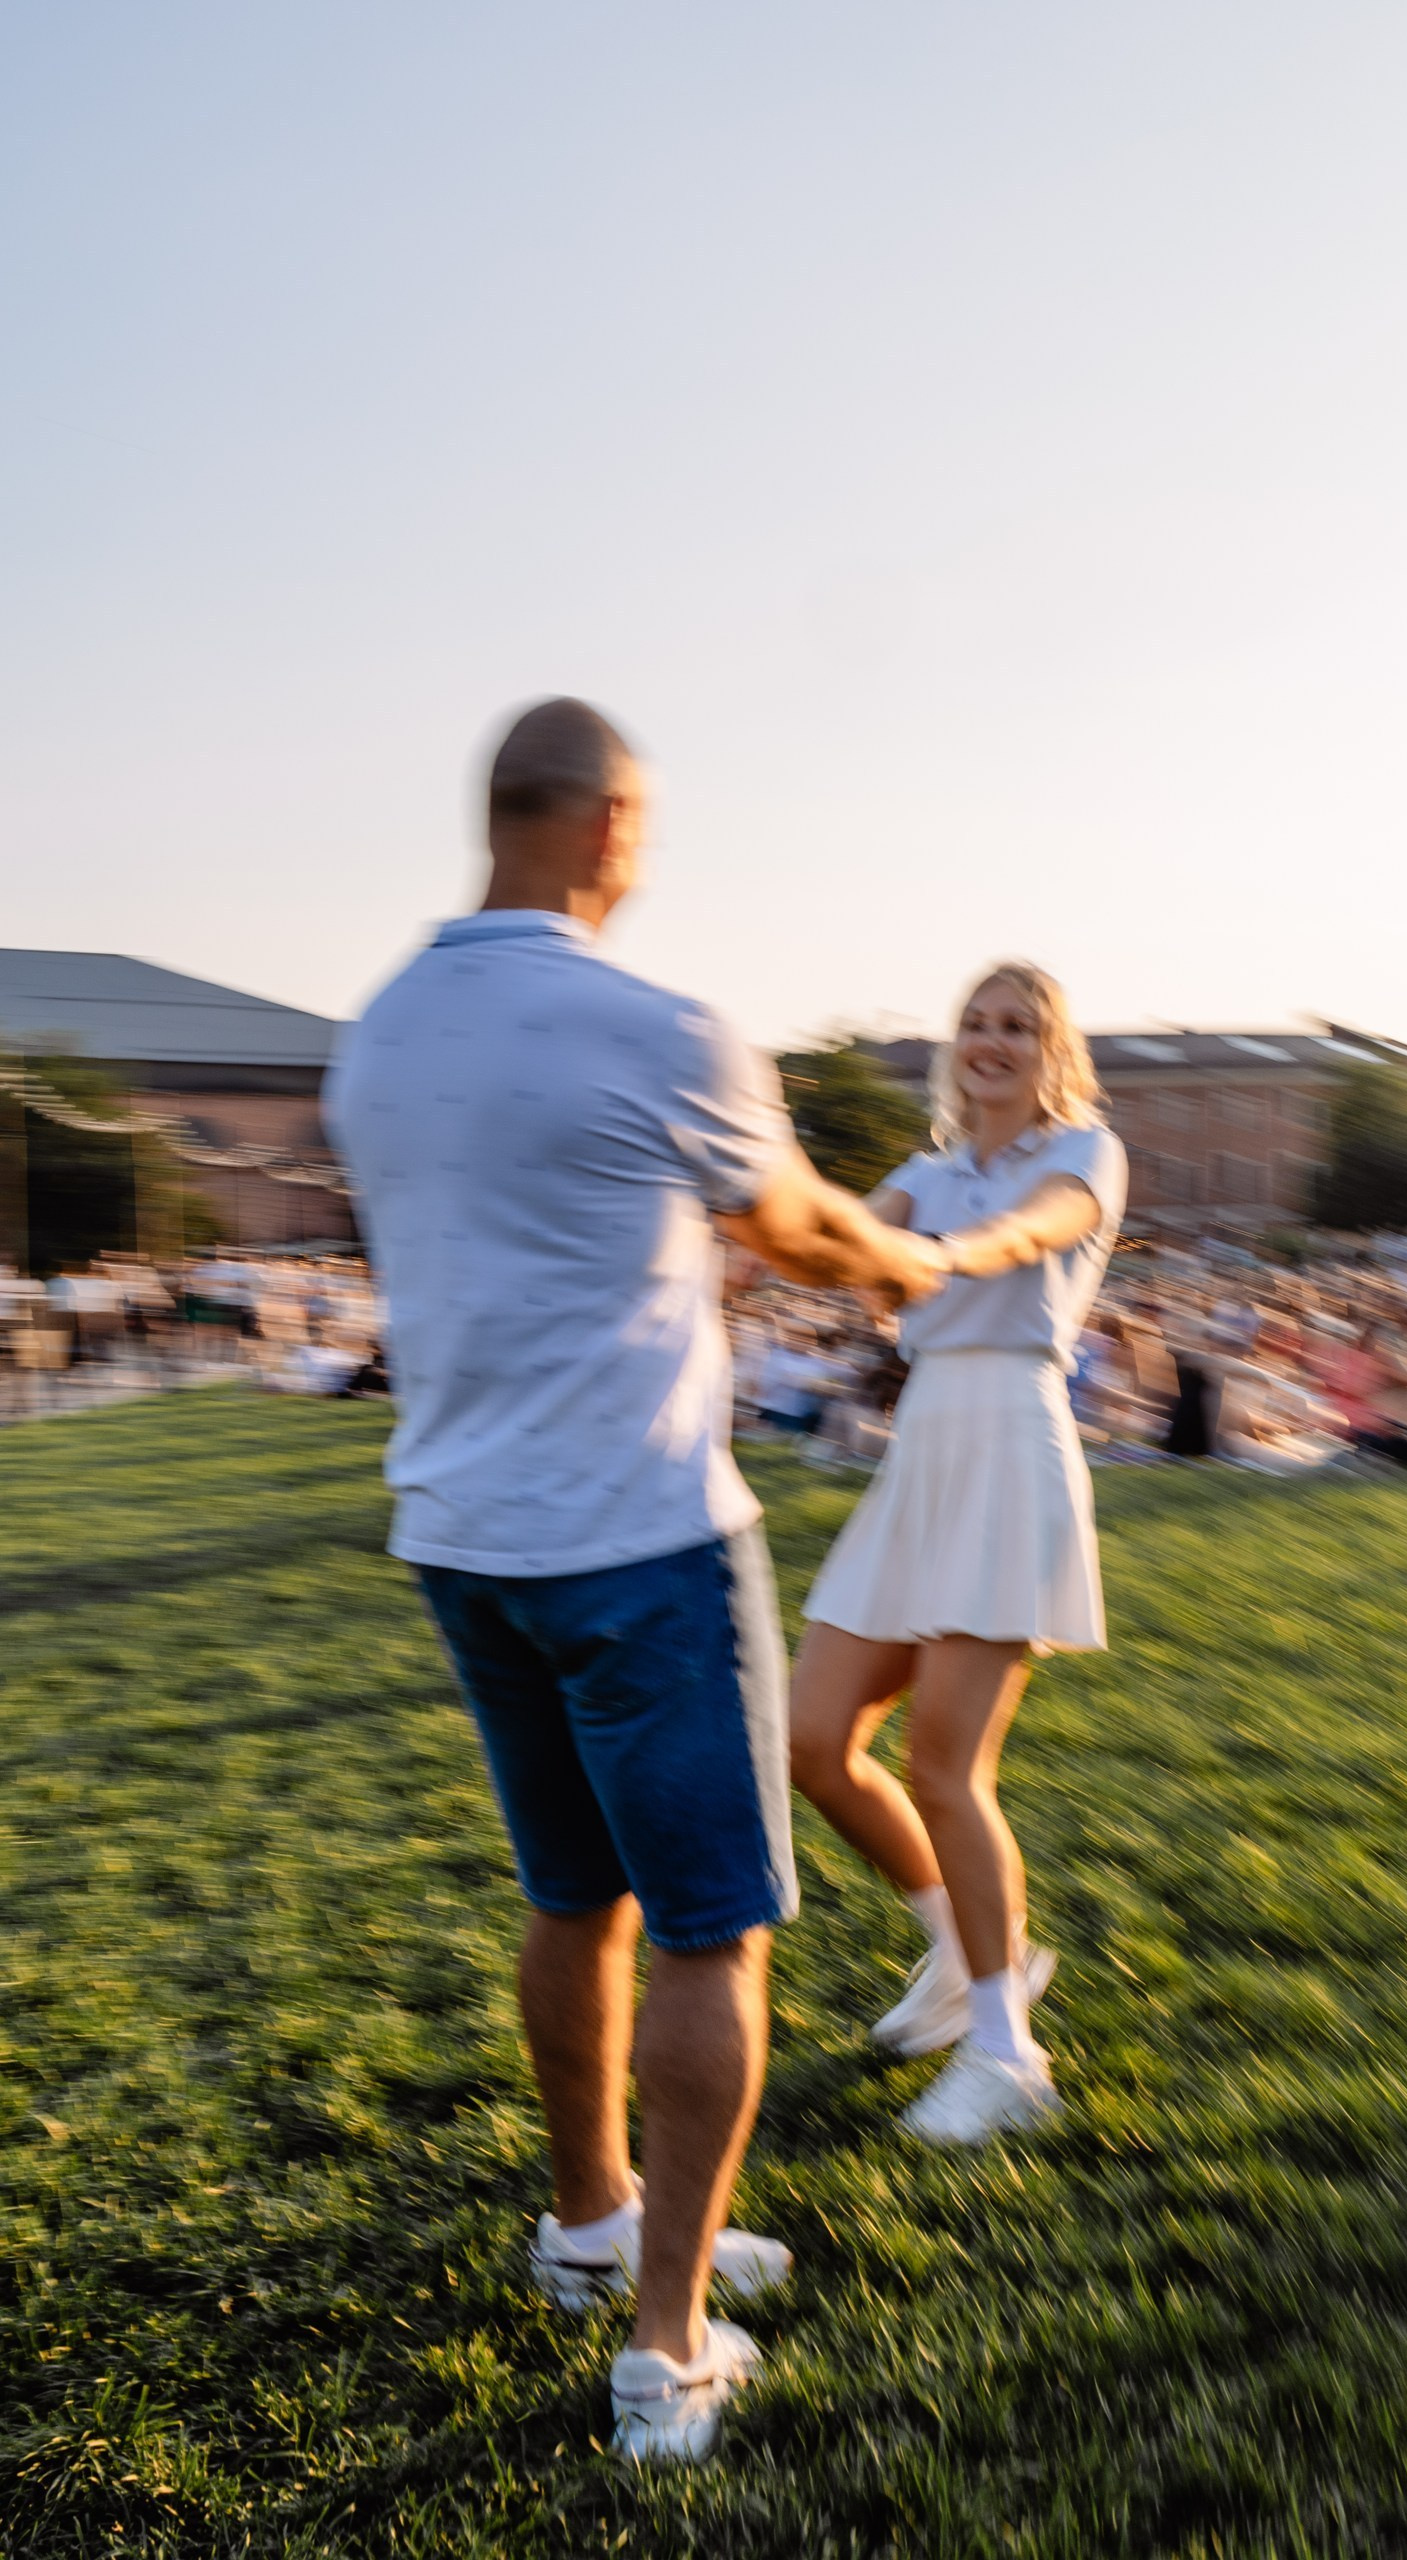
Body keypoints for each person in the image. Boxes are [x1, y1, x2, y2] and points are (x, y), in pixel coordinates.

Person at [327, 698, 944, 2463]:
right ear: (602, 822)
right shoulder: (653, 1021)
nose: (646, 854)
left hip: (460, 1534)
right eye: (645, 824)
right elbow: (805, 1230)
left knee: (567, 1893)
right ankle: (666, 2348)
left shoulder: (374, 1036)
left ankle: (592, 2222)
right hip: (640, 1537)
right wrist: (909, 1257)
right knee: (708, 1930)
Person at [788, 963, 1127, 2144]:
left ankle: (1007, 2053)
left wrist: (947, 1255)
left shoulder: (1082, 1151)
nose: (993, 1041)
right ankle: (964, 1948)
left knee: (946, 1767)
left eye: (1018, 1026)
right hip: (923, 1446)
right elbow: (830, 1240)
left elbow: (1040, 1231)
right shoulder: (922, 1175)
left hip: (1009, 1444)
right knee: (812, 1740)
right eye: (977, 1023)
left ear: (1053, 1048)